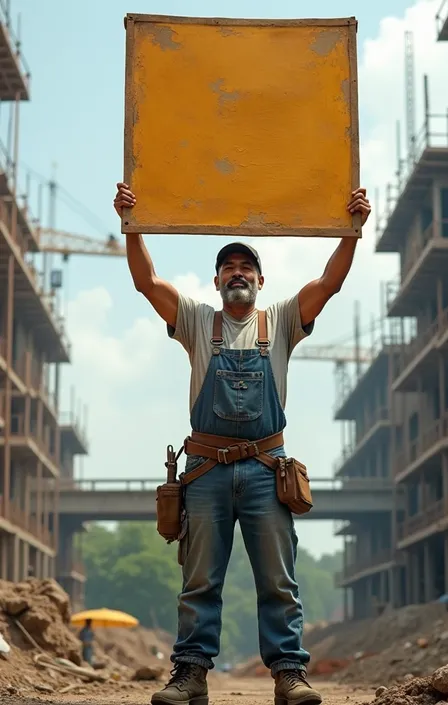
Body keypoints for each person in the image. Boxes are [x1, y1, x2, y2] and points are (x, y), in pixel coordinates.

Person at [113, 183, 371, 705]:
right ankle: (190, 676)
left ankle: (289, 676)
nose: (237, 272)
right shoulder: (194, 321)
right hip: (206, 471)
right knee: (200, 581)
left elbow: (329, 283)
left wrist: (351, 231)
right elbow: (146, 282)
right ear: (216, 279)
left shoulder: (278, 323)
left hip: (264, 470)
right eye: (229, 266)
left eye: (246, 266)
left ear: (259, 279)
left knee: (278, 581)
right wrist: (131, 222)